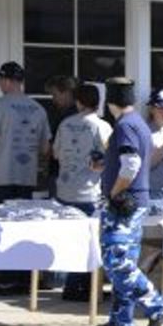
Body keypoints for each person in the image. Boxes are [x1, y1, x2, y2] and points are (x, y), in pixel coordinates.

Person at [95, 77, 163, 326]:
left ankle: (157, 305)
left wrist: (114, 192)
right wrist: (104, 165)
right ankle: (121, 319)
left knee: (116, 260)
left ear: (110, 101)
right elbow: (133, 160)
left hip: (123, 203)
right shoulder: (138, 123)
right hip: (136, 201)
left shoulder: (124, 125)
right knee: (126, 260)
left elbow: (131, 164)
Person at [52, 83, 113, 300]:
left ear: (78, 102)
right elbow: (111, 158)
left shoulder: (65, 124)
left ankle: (71, 286)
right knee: (90, 242)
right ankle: (85, 288)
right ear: (98, 102)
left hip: (64, 191)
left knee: (70, 240)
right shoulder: (101, 126)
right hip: (89, 192)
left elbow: (56, 154)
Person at [0, 61, 51, 202]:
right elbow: (45, 148)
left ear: (6, 81)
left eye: (0, 80)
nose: (0, 84)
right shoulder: (38, 109)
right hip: (27, 179)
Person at [45, 74, 78, 196]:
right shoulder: (63, 114)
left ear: (66, 93)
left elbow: (55, 148)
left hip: (61, 172)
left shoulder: (68, 118)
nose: (53, 99)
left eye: (55, 95)